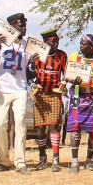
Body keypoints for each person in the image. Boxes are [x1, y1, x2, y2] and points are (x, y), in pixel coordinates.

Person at [0, 13, 36, 175]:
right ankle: (3, 161)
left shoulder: (28, 46)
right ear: (11, 27)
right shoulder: (1, 44)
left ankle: (20, 161)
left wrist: (34, 62)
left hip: (20, 90)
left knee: (20, 124)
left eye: (25, 25)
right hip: (2, 90)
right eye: (20, 24)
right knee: (1, 124)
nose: (23, 27)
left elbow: (31, 73)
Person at [66, 34, 93, 173]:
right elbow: (67, 76)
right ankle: (74, 162)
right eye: (80, 43)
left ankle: (89, 161)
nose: (81, 46)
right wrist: (73, 80)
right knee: (75, 130)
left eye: (84, 44)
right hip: (78, 96)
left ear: (92, 47)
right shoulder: (74, 57)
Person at [28, 29, 67, 171]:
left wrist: (64, 85)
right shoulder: (36, 56)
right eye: (53, 41)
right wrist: (32, 67)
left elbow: (66, 74)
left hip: (55, 93)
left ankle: (56, 160)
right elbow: (29, 74)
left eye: (57, 41)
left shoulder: (62, 56)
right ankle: (42, 159)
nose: (56, 44)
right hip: (40, 94)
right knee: (40, 127)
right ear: (45, 43)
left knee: (54, 125)